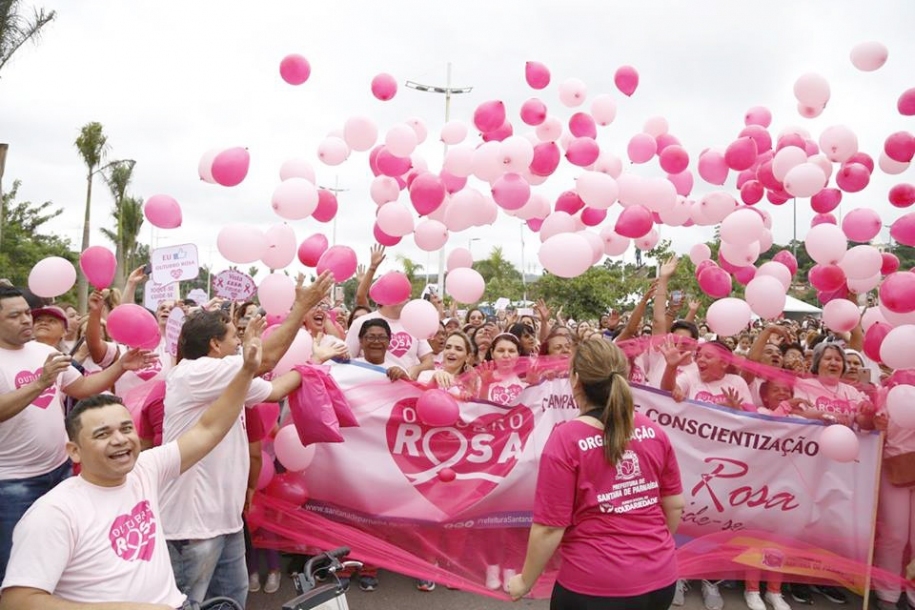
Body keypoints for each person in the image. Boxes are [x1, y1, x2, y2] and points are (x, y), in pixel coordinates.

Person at [0, 318, 263, 609]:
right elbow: (16, 600)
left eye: (126, 429)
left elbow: (208, 429)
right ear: (74, 451)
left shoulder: (146, 469)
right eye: (102, 434)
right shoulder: (54, 512)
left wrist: (247, 371)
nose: (120, 440)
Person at [160, 272, 333, 607]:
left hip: (226, 519)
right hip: (192, 526)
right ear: (214, 345)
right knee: (190, 604)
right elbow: (266, 361)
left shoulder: (232, 377)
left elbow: (276, 390)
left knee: (231, 601)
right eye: (233, 337)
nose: (239, 342)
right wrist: (301, 309)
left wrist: (315, 362)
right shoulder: (196, 372)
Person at [507, 339, 685, 608]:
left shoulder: (566, 439)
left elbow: (549, 529)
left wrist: (525, 582)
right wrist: (648, 554)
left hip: (594, 585)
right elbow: (674, 505)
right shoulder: (654, 431)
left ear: (575, 379)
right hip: (661, 578)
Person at [0, 286, 157, 583]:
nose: (26, 320)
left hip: (60, 472)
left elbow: (83, 388)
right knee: (18, 565)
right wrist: (39, 383)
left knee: (66, 555)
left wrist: (121, 366)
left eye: (26, 313)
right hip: (11, 484)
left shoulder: (45, 352)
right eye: (15, 315)